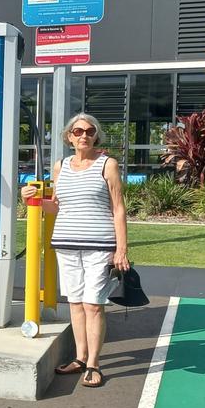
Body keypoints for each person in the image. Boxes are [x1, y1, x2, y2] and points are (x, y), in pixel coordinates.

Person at [21, 112, 129, 389]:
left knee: (94, 305)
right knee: (76, 303)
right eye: (78, 131)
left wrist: (121, 249)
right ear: (69, 137)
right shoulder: (61, 166)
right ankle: (80, 358)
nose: (84, 136)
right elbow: (57, 206)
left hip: (99, 246)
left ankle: (93, 363)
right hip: (67, 245)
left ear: (96, 136)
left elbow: (118, 208)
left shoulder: (108, 165)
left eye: (90, 131)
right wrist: (31, 200)